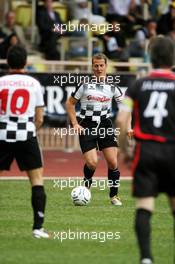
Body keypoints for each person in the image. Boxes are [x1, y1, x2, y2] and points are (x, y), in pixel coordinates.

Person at [117, 36, 175, 264]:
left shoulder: (137, 85)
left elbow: (122, 120)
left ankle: (146, 259)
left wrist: (125, 149)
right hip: (172, 150)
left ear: (150, 57)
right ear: (172, 58)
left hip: (146, 151)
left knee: (144, 207)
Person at [0, 45, 49, 239]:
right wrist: (31, 130)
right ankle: (38, 228)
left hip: (2, 133)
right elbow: (39, 118)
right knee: (36, 181)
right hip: (26, 134)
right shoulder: (33, 83)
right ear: (26, 62)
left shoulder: (1, 82)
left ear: (7, 61)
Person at [66, 53, 124, 206]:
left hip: (105, 124)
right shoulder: (84, 86)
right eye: (96, 65)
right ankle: (86, 187)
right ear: (92, 67)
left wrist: (128, 126)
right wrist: (75, 123)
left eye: (101, 65)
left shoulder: (112, 87)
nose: (98, 68)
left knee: (113, 162)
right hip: (87, 125)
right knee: (92, 163)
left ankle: (114, 196)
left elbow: (126, 108)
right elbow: (70, 104)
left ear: (106, 66)